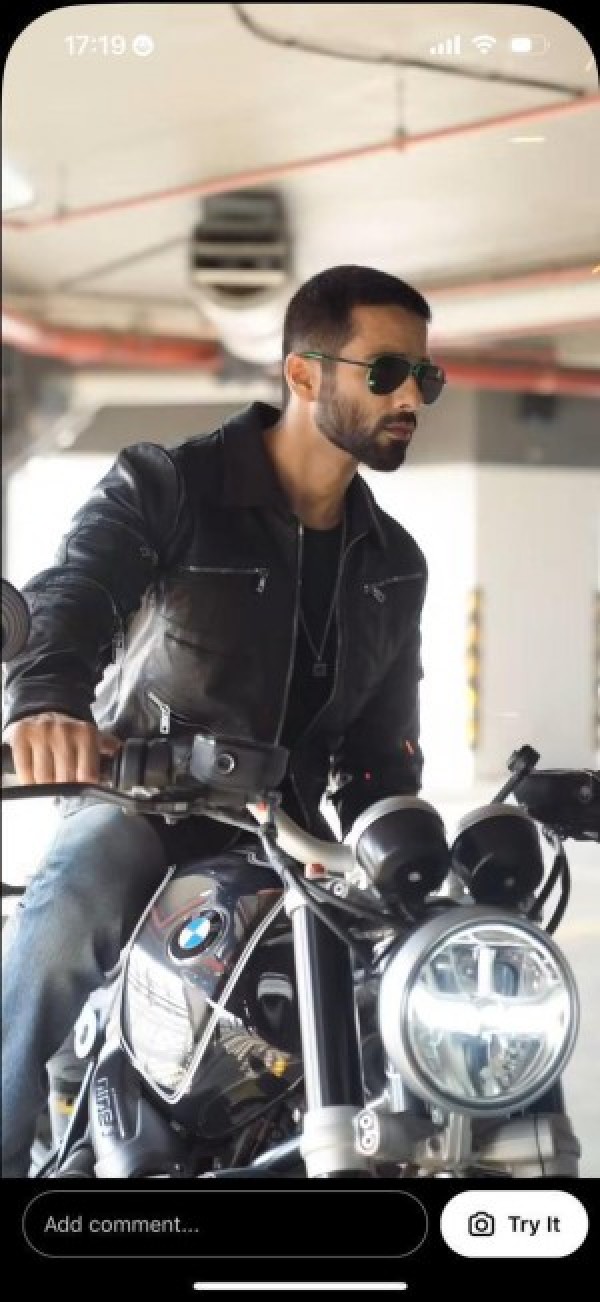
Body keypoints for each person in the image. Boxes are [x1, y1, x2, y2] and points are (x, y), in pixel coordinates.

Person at [1, 264, 446, 1177]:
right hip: (144, 801)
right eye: (387, 371)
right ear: (303, 374)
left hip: (290, 840)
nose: (410, 397)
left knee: (410, 983)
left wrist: (399, 838)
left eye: (424, 377)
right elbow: (73, 594)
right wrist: (47, 701)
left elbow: (380, 756)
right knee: (74, 906)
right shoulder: (171, 486)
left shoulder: (394, 562)